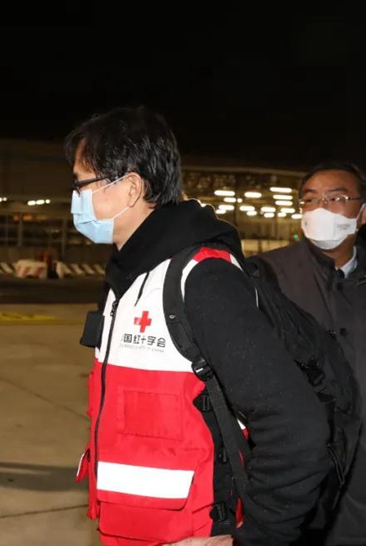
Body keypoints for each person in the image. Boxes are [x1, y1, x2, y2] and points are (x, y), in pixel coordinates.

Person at [67, 106, 330, 546]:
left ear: (130, 188)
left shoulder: (201, 279)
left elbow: (297, 427)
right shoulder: (126, 279)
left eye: (81, 184)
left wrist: (253, 538)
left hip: (193, 532)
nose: (75, 197)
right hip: (126, 532)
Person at [256, 162, 366, 546]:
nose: (320, 209)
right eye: (310, 200)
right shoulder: (266, 275)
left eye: (335, 198)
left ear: (362, 213)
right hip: (302, 469)